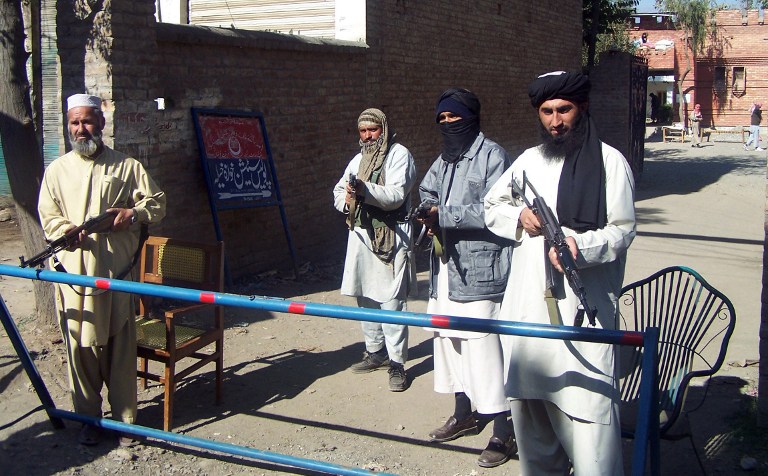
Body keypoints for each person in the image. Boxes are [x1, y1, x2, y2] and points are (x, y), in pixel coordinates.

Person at [484, 71, 636, 475]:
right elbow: (490, 205)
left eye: (564, 110)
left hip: (582, 316)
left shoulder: (610, 162)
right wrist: (519, 214)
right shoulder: (528, 161)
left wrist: (578, 246)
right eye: (547, 111)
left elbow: (622, 230)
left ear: (581, 108)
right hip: (529, 314)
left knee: (592, 440)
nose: (555, 121)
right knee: (535, 444)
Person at [38, 93, 166, 446]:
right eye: (75, 123)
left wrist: (133, 214)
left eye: (88, 121)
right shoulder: (56, 171)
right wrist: (65, 230)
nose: (81, 129)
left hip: (116, 277)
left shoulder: (127, 167)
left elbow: (157, 204)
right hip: (72, 277)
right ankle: (88, 420)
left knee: (120, 351)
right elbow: (48, 216)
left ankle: (126, 423)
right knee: (81, 351)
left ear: (101, 123)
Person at [417, 88, 516, 468]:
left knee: (484, 350)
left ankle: (502, 432)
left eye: (453, 117)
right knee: (448, 340)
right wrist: (427, 210)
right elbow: (427, 190)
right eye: (441, 118)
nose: (447, 124)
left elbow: (497, 211)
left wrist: (445, 214)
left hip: (480, 270)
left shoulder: (493, 156)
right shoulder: (444, 159)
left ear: (470, 118)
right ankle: (464, 412)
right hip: (445, 269)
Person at [332, 108, 416, 392]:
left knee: (391, 301)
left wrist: (364, 190)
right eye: (363, 131)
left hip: (390, 236)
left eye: (373, 130)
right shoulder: (357, 160)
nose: (368, 136)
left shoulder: (399, 155)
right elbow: (337, 192)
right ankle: (375, 352)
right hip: (360, 236)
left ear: (384, 129)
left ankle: (397, 363)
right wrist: (347, 197)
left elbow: (395, 195)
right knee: (365, 296)